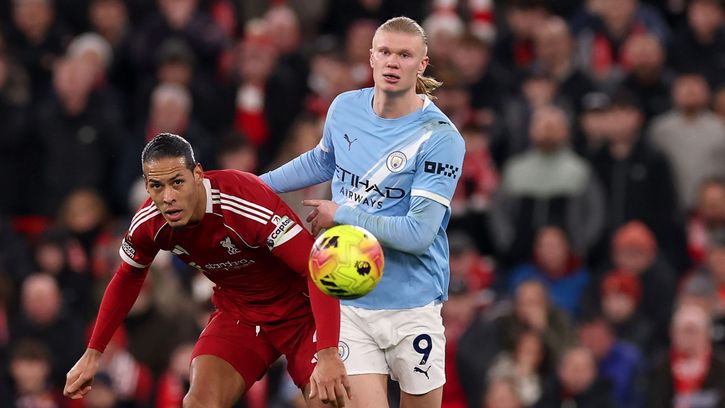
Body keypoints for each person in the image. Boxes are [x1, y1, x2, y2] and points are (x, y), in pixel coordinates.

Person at [261, 16, 465, 407]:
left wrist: (341, 215)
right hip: (349, 298)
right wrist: (253, 186)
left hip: (413, 304)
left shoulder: (440, 138)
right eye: (385, 52)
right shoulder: (344, 107)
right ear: (371, 57)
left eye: (404, 55)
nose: (393, 62)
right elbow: (322, 160)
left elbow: (418, 234)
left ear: (421, 64)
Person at [63, 133, 350, 407]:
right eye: (157, 186)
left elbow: (316, 267)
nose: (168, 196)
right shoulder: (149, 223)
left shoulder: (242, 200)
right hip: (241, 314)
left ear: (198, 175)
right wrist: (93, 353)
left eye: (177, 182)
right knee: (198, 402)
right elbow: (128, 276)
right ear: (147, 186)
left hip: (303, 313)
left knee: (328, 400)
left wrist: (328, 353)